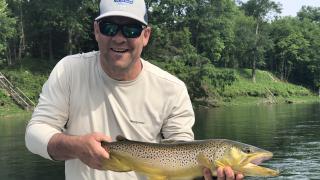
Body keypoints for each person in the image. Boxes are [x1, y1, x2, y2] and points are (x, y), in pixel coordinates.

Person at [25, 0, 244, 180]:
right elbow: (35, 133)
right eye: (109, 27)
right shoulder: (69, 70)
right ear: (96, 30)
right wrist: (76, 146)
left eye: (131, 29)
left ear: (146, 35)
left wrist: (211, 174)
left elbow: (182, 154)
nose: (119, 38)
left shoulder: (173, 89)